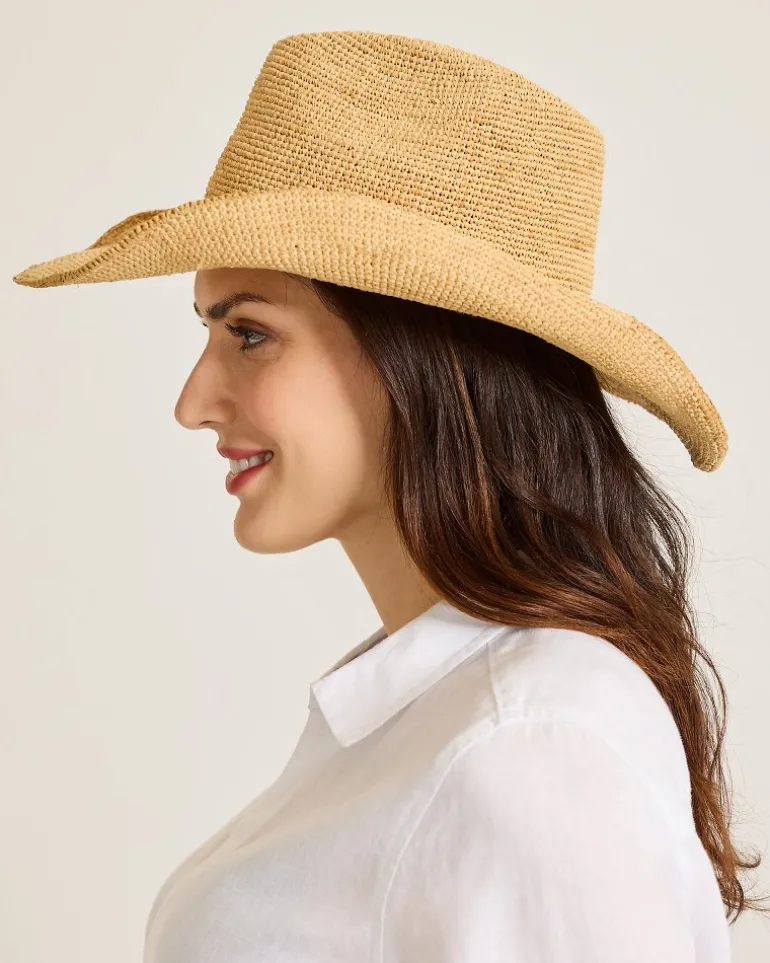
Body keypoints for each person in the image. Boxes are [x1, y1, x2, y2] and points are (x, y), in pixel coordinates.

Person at [12, 28, 767, 963]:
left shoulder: (533, 745)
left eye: (248, 334)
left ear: (418, 353)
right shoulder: (449, 716)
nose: (192, 403)